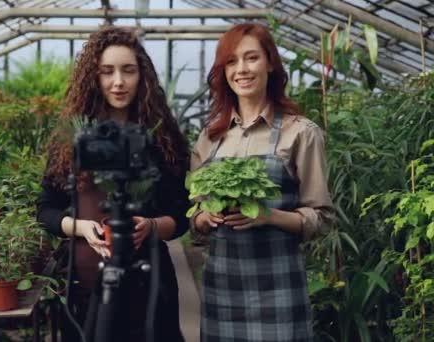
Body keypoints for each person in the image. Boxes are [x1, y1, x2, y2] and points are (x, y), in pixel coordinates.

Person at [36, 26, 189, 342]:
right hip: (85, 284)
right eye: (107, 72)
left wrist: (151, 225)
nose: (118, 82)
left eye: (128, 70)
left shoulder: (162, 137)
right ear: (93, 77)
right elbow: (45, 209)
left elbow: (182, 213)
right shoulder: (72, 139)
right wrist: (81, 228)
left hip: (149, 284)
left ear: (141, 76)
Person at [191, 23, 335, 341]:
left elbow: (321, 218)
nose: (241, 69)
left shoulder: (300, 133)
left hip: (279, 286)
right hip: (222, 288)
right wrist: (205, 217)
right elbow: (196, 219)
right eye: (231, 61)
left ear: (270, 63)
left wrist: (268, 216)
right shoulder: (210, 138)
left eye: (251, 58)